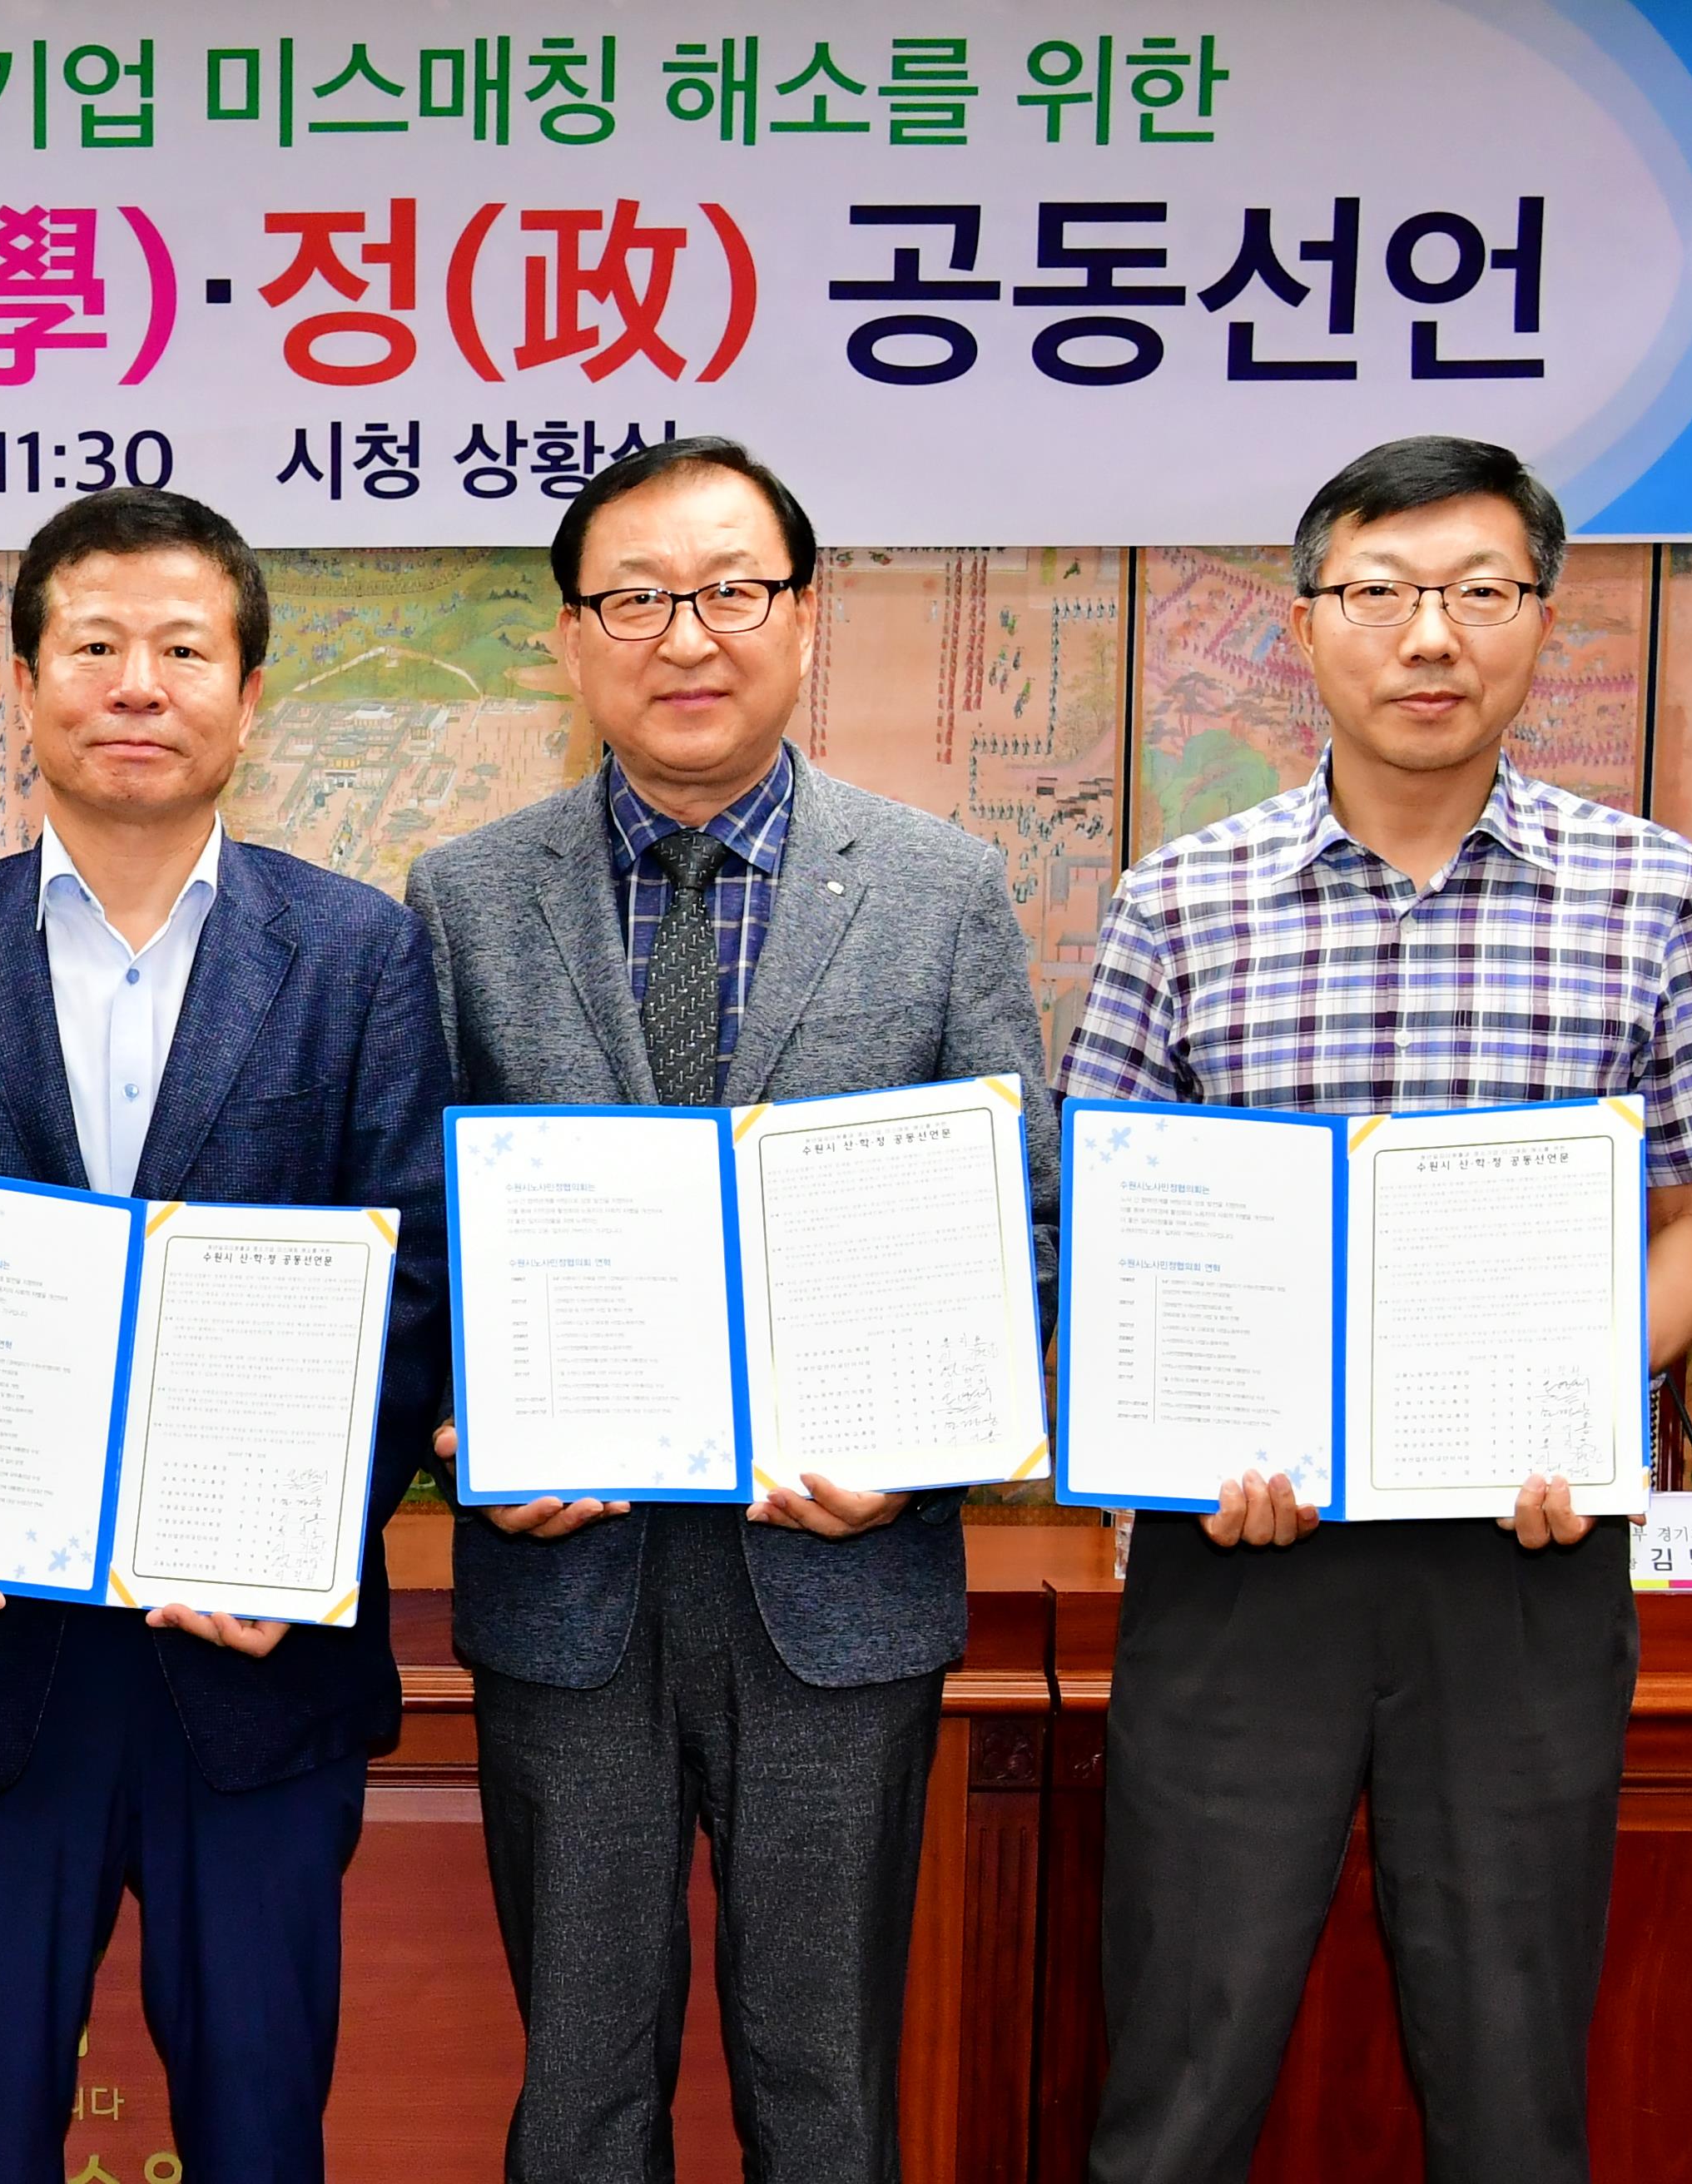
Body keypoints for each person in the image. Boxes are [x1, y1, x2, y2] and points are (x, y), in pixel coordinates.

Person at [1061, 434, 1692, 2184]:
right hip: (1243, 1560)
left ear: (1540, 619)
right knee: (1176, 2076)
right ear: (1305, 627)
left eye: (1478, 591)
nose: (1428, 635)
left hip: (1523, 1557)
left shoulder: (1653, 894)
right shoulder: (1180, 903)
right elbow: (1110, 1233)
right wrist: (1187, 1441)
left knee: (1510, 2084)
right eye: (1378, 593)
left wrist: (1574, 1395)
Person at [400, 435, 1056, 2184]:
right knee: (581, 2091)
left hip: (839, 1580)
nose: (684, 637)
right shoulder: (466, 897)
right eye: (633, 600)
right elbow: (417, 1234)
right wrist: (462, 1432)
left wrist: (924, 1457)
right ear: (569, 638)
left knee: (823, 2087)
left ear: (802, 617)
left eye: (729, 592)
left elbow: (1020, 1223)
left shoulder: (938, 888)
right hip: (569, 1580)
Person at [0, 487, 454, 2184]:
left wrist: (297, 1543)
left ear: (250, 696)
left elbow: (410, 1281)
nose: (136, 685)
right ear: (23, 683)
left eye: (183, 649)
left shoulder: (359, 956)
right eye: (92, 645)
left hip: (253, 1658)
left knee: (258, 2131)